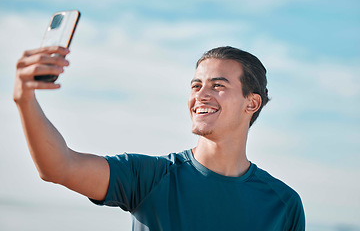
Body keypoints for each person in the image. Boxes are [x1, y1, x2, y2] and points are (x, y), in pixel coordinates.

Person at [14, 45, 305, 230]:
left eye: (218, 86)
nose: (201, 95)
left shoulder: (283, 204)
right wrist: (25, 100)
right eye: (196, 85)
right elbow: (59, 166)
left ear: (251, 103)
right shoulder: (150, 177)